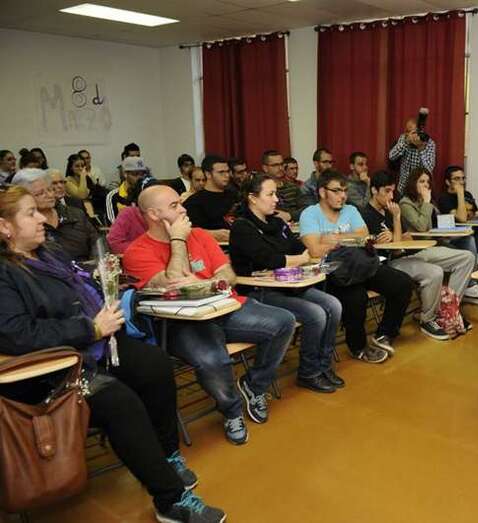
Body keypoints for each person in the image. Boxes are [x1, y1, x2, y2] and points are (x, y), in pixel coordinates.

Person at [0, 185, 226, 522]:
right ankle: (170, 500)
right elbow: (17, 334)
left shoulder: (48, 253)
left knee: (155, 365)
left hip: (91, 346)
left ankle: (167, 456)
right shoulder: (5, 272)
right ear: (4, 226)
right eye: (30, 213)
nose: (42, 219)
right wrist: (90, 329)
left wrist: (103, 290)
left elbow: (79, 290)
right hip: (50, 369)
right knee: (121, 403)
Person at [123, 185, 295, 445]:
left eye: (181, 203)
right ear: (154, 214)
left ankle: (254, 386)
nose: (183, 210)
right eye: (174, 206)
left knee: (284, 321)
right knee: (213, 359)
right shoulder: (137, 252)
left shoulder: (201, 235)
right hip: (182, 323)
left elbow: (229, 275)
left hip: (224, 307)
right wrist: (178, 240)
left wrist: (204, 284)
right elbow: (173, 284)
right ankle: (232, 411)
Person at [230, 174, 345, 393]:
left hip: (289, 285)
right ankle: (309, 372)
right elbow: (268, 259)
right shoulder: (242, 227)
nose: (276, 199)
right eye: (270, 194)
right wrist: (295, 259)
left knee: (333, 305)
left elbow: (298, 249)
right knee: (316, 314)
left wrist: (293, 259)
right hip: (260, 291)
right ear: (252, 198)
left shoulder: (277, 223)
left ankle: (323, 365)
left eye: (276, 194)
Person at [299, 170, 413, 363]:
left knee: (402, 283)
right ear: (322, 192)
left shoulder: (350, 210)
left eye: (344, 190)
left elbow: (364, 237)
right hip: (334, 272)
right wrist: (350, 239)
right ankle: (358, 347)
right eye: (336, 191)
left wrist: (334, 238)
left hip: (361, 264)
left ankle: (384, 333)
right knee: (356, 298)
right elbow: (315, 250)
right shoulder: (309, 214)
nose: (343, 196)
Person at [360, 171, 475, 339]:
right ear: (374, 190)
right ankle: (428, 319)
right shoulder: (366, 215)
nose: (391, 196)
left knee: (467, 257)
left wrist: (395, 234)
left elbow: (406, 237)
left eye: (393, 191)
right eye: (387, 191)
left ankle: (449, 309)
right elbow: (395, 249)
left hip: (413, 251)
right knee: (435, 272)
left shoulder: (390, 209)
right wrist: (397, 222)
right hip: (392, 262)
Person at [399, 168, 478, 305]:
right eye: (422, 181)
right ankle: (455, 298)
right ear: (413, 183)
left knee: (468, 252)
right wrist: (427, 202)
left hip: (435, 241)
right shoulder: (405, 203)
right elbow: (421, 226)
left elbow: (436, 222)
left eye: (428, 182)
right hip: (418, 249)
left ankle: (450, 303)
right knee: (467, 256)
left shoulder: (425, 201)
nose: (426, 185)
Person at [13, 168, 98, 262]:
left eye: (50, 189)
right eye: (40, 193)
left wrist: (97, 264)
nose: (50, 195)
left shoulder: (75, 214)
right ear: (23, 198)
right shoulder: (25, 227)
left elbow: (96, 243)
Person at [183, 155, 235, 243]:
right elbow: (189, 232)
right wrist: (212, 234)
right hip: (213, 246)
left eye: (228, 171)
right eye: (221, 172)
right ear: (208, 174)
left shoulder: (235, 196)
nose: (227, 175)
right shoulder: (194, 202)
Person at [107, 176, 157, 254]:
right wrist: (143, 248)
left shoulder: (165, 213)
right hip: (136, 256)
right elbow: (114, 242)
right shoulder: (128, 214)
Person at [389, 116, 436, 194]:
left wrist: (421, 149)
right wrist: (406, 142)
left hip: (421, 189)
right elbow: (392, 156)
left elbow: (429, 169)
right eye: (409, 132)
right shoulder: (404, 138)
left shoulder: (429, 143)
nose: (413, 135)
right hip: (404, 187)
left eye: (415, 132)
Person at [261, 150, 299, 222]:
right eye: (275, 165)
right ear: (265, 168)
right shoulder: (262, 190)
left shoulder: (293, 187)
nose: (280, 168)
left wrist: (290, 215)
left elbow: (305, 209)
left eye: (281, 164)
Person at [108, 156, 149, 221]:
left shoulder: (148, 193)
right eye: (135, 174)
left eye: (142, 174)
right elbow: (112, 223)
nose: (139, 178)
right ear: (125, 174)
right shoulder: (113, 196)